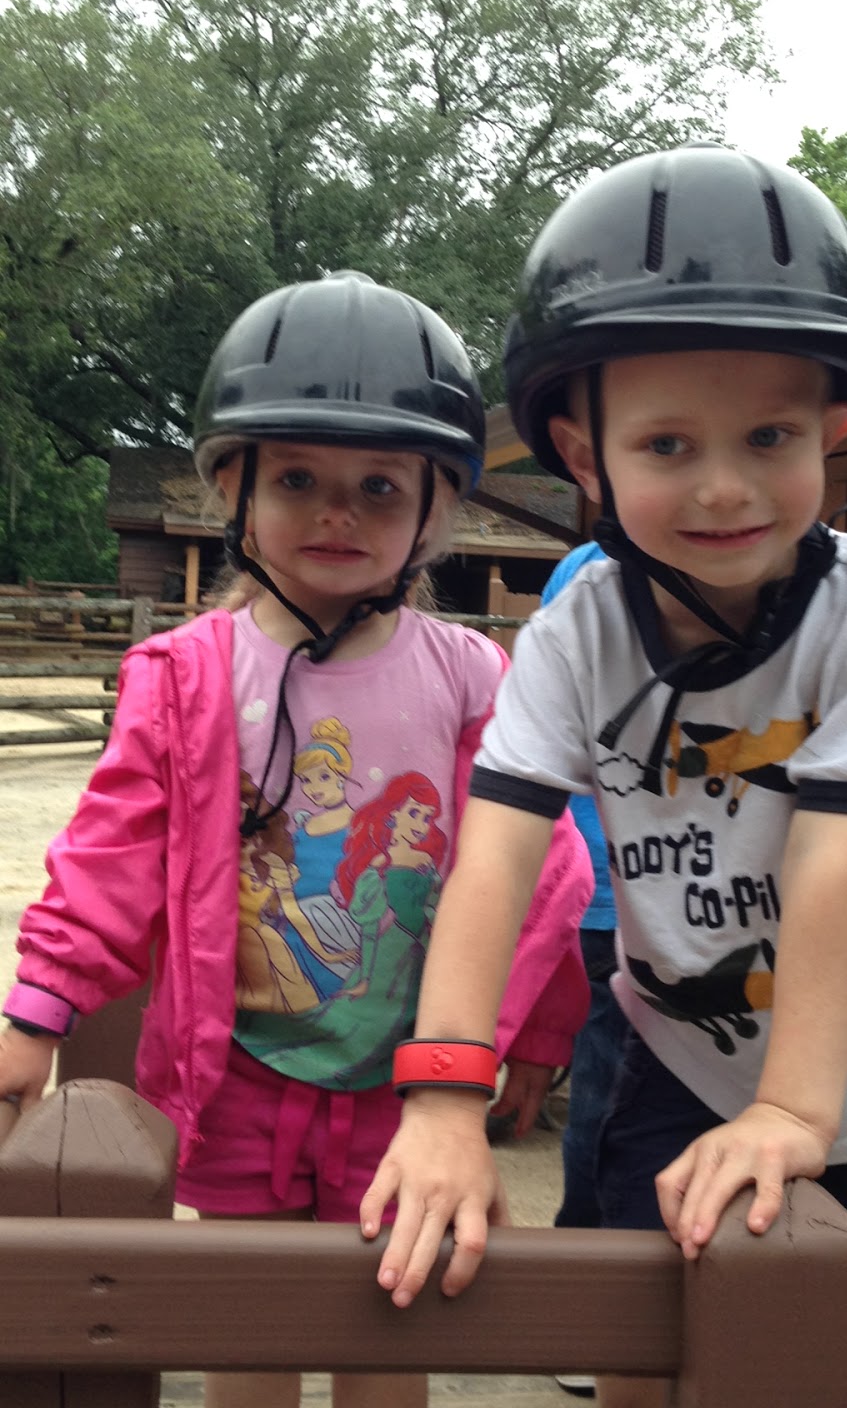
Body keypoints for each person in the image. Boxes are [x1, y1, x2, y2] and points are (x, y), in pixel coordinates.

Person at [359, 144, 847, 1408]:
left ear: (833, 431)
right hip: (677, 1050)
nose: (724, 485)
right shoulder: (578, 630)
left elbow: (831, 867)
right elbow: (495, 857)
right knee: (640, 1323)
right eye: (666, 442)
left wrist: (796, 1118)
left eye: (769, 435)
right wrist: (443, 1098)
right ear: (583, 451)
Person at [0, 272, 593, 1408]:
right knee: (252, 1325)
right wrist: (37, 1015)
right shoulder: (186, 675)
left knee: (392, 1324)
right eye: (298, 479)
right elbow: (111, 856)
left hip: (405, 1080)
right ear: (234, 488)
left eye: (379, 486)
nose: (338, 513)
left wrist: (538, 1034)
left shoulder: (472, 677)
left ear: (437, 507)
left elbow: (539, 869)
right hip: (240, 1074)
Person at [541, 543, 627, 1403]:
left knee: (611, 1100)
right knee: (602, 1099)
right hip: (607, 895)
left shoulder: (581, 567)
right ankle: (589, 1304)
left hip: (633, 894)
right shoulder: (592, 571)